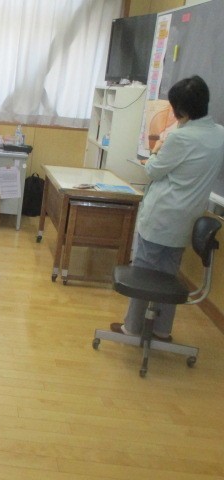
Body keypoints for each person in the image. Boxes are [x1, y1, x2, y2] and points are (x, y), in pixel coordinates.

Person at [110, 75, 224, 341]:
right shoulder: (220, 134)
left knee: (144, 273)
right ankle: (162, 330)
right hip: (187, 220)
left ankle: (133, 327)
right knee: (168, 275)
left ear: (181, 109)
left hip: (161, 217)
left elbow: (152, 171)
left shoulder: (180, 138)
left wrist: (156, 149)